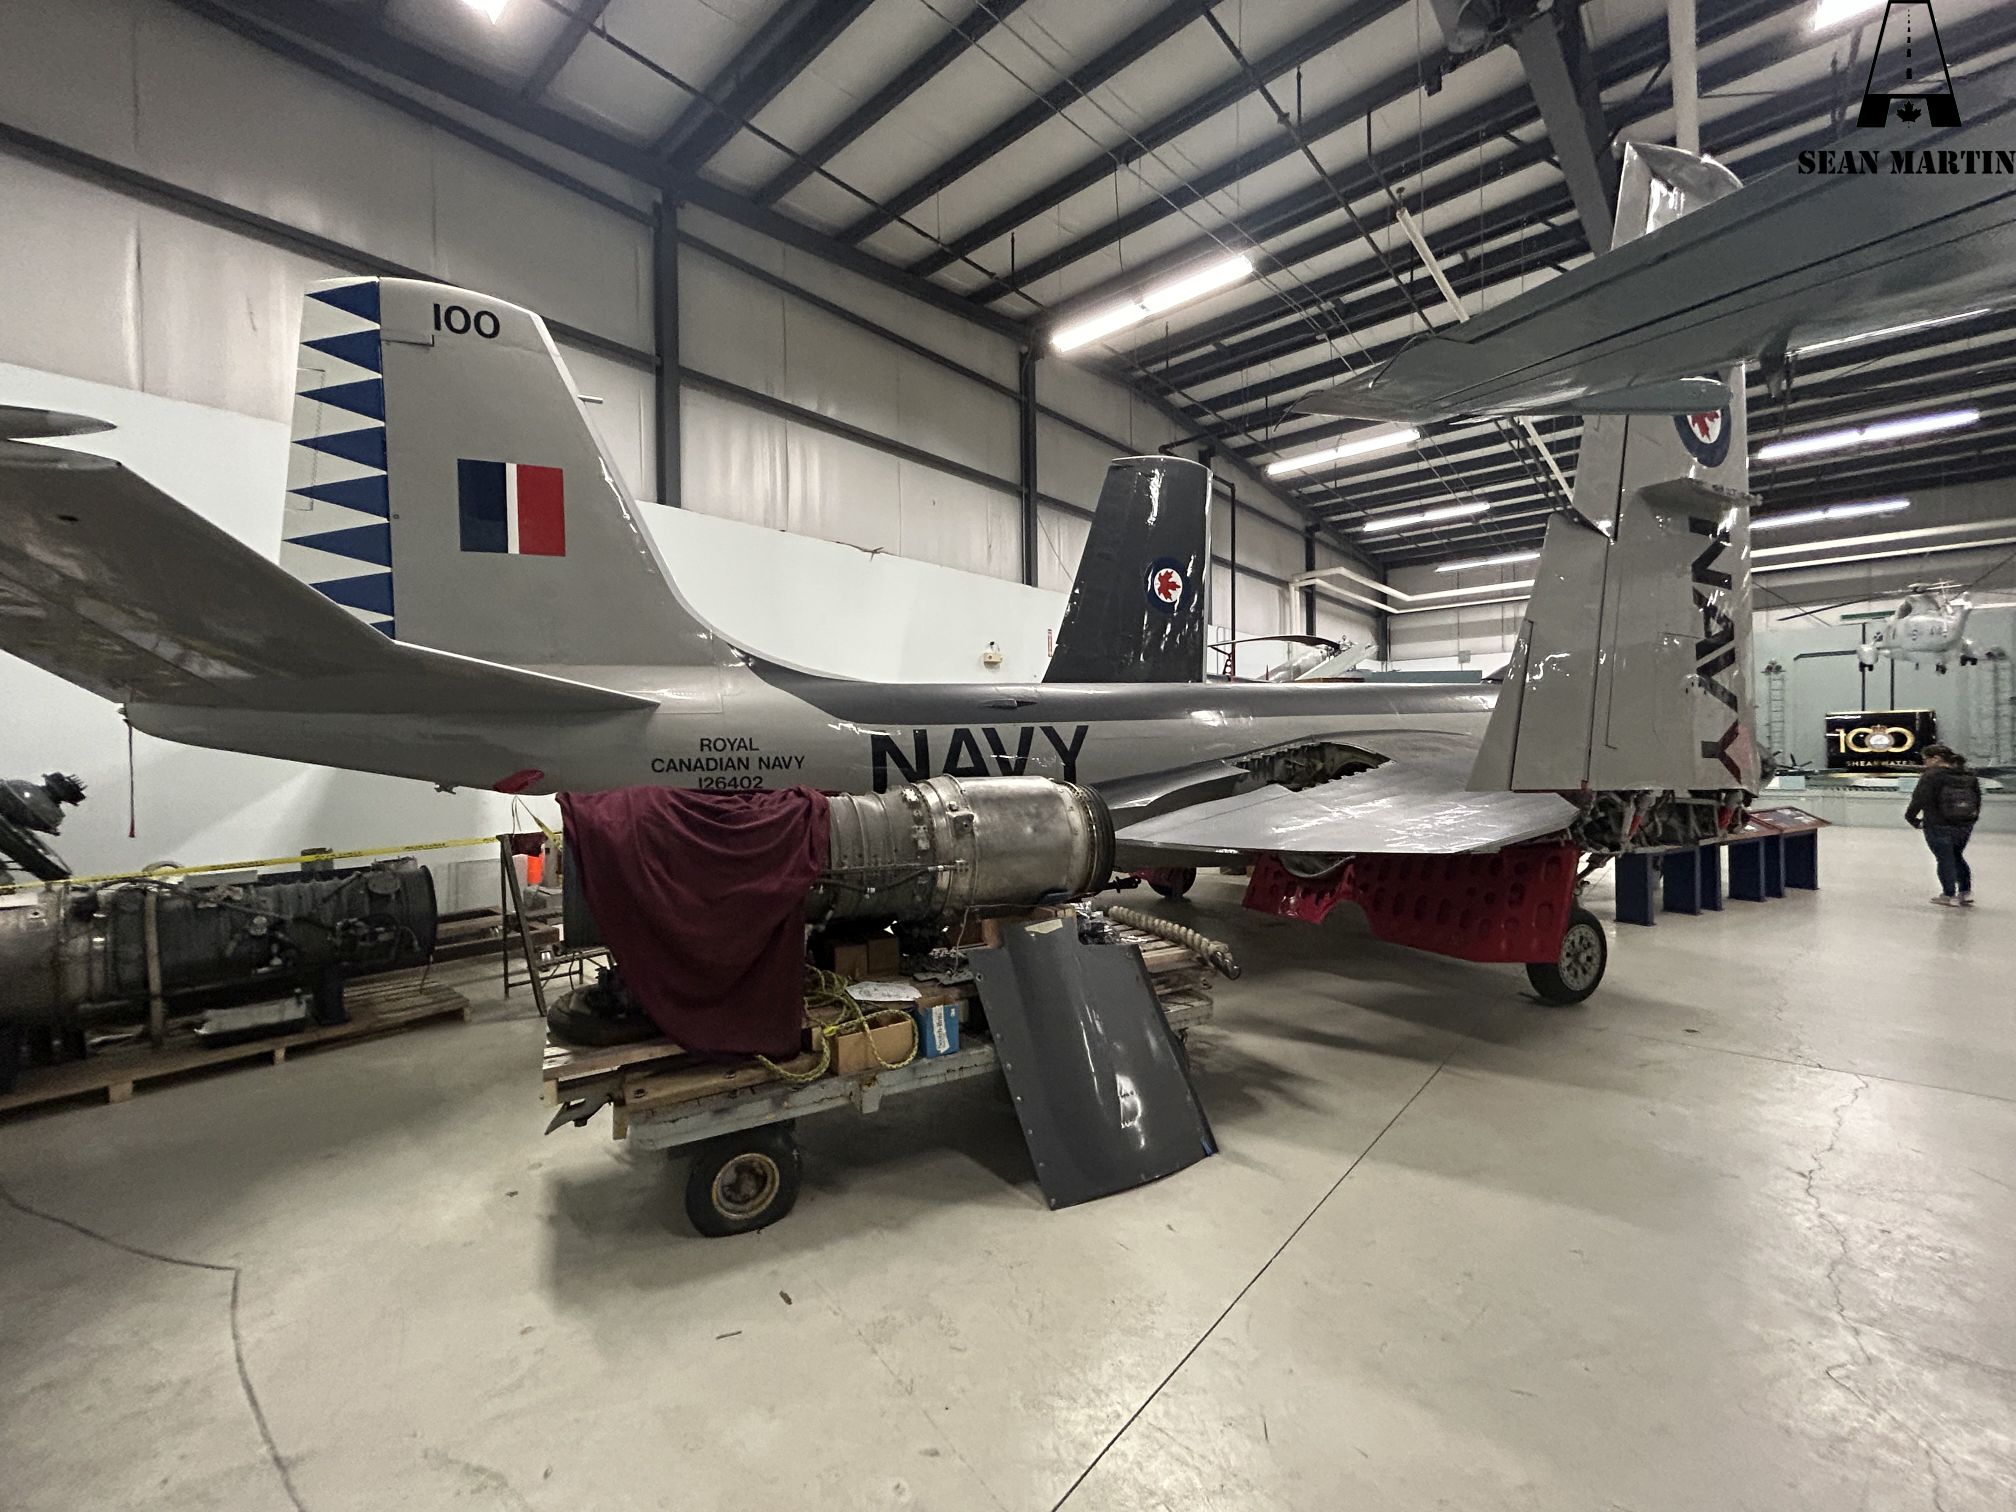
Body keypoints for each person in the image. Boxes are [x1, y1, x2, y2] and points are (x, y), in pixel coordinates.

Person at [1904, 743, 1981, 907]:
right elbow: (1977, 798)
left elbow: (1919, 798)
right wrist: (1971, 819)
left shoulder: (1932, 775)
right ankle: (1965, 892)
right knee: (1957, 855)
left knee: (1944, 858)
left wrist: (1911, 818)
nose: (1925, 763)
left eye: (1926, 759)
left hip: (1937, 822)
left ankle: (1948, 895)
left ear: (1936, 758)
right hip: (1964, 823)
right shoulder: (1968, 774)